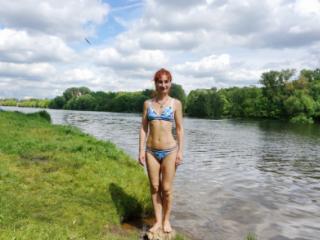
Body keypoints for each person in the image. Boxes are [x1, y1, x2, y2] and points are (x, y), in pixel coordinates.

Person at [139, 68, 184, 233]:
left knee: (166, 188)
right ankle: (157, 221)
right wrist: (140, 151)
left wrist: (180, 151)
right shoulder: (147, 104)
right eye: (160, 82)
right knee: (154, 187)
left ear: (170, 83)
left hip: (170, 151)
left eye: (166, 82)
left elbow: (179, 129)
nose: (163, 85)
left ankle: (166, 220)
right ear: (155, 83)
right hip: (150, 151)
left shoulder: (176, 103)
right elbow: (144, 128)